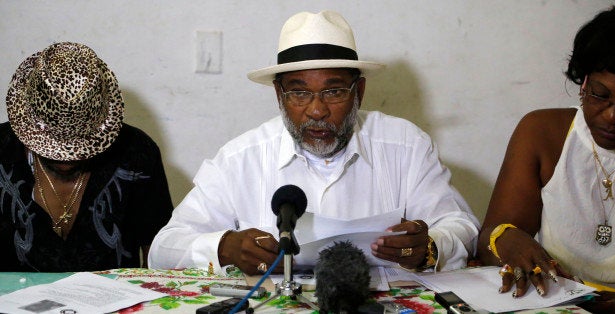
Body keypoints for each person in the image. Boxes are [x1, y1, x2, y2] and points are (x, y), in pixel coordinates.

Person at [149, 10, 479, 276]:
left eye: (334, 91)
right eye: (299, 92)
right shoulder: (240, 158)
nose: (316, 110)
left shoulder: (405, 146)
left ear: (358, 92)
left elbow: (462, 227)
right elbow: (163, 248)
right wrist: (224, 247)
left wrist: (431, 246)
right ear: (279, 94)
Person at [477, 5, 615, 313]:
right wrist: (505, 239)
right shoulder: (544, 134)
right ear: (583, 83)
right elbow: (491, 237)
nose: (613, 115)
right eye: (600, 95)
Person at [0, 42, 174, 272]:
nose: (65, 158)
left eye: (80, 142)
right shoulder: (3, 151)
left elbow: (156, 247)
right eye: (53, 142)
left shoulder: (137, 154)